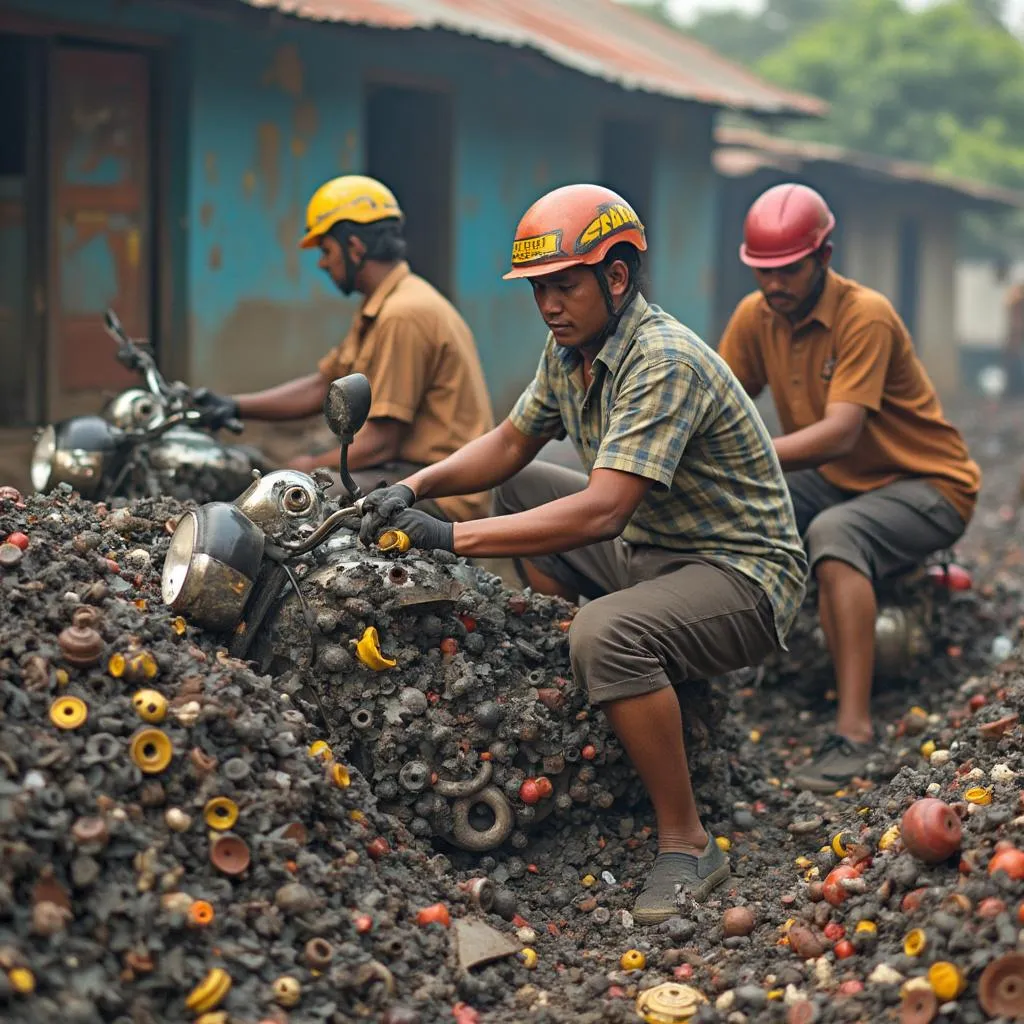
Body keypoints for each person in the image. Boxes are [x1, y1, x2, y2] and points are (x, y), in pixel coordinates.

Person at [357, 184, 807, 923]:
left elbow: (605, 509)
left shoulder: (661, 360)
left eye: (565, 285)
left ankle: (688, 841)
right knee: (524, 488)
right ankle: (591, 677)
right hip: (658, 550)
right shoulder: (571, 350)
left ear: (617, 278)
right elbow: (509, 444)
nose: (550, 305)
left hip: (742, 575)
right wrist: (413, 487)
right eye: (539, 290)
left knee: (607, 633)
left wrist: (450, 536)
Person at [718, 182, 982, 793]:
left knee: (835, 533)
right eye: (764, 271)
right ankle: (741, 664)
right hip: (842, 480)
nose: (776, 283)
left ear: (824, 257)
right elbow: (719, 405)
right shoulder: (756, 318)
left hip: (928, 484)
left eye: (789, 269)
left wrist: (741, 459)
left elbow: (839, 433)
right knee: (734, 506)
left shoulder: (865, 315)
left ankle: (854, 731)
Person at [194, 174, 495, 524]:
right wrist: (233, 406)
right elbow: (323, 386)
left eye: (326, 250)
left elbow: (383, 441)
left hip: (436, 492)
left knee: (285, 505)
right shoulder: (380, 306)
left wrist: (301, 468)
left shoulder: (405, 315)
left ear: (354, 247)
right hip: (400, 470)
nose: (322, 262)